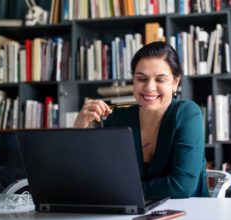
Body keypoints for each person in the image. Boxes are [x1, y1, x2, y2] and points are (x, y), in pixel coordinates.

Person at [74, 41, 209, 198]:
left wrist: (123, 191)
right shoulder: (117, 117)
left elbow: (181, 186)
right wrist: (79, 128)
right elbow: (88, 176)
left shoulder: (187, 113)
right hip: (130, 214)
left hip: (190, 215)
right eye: (141, 78)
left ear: (175, 83)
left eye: (160, 79)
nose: (149, 87)